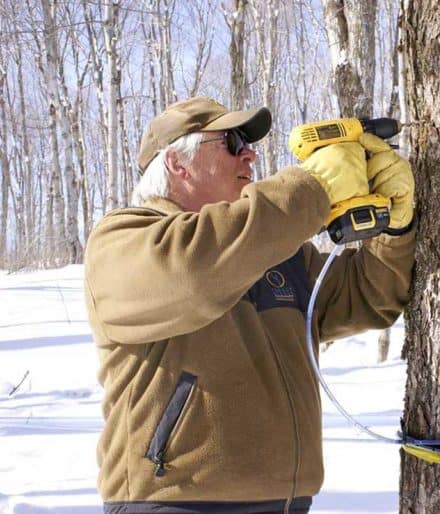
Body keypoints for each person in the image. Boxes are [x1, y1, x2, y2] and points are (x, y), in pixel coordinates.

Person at [84, 96, 416, 514]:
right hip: (175, 503)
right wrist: (313, 187)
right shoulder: (125, 241)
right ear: (176, 164)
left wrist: (396, 229)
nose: (249, 153)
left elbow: (367, 298)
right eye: (231, 141)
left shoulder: (276, 247)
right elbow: (196, 273)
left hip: (285, 502)